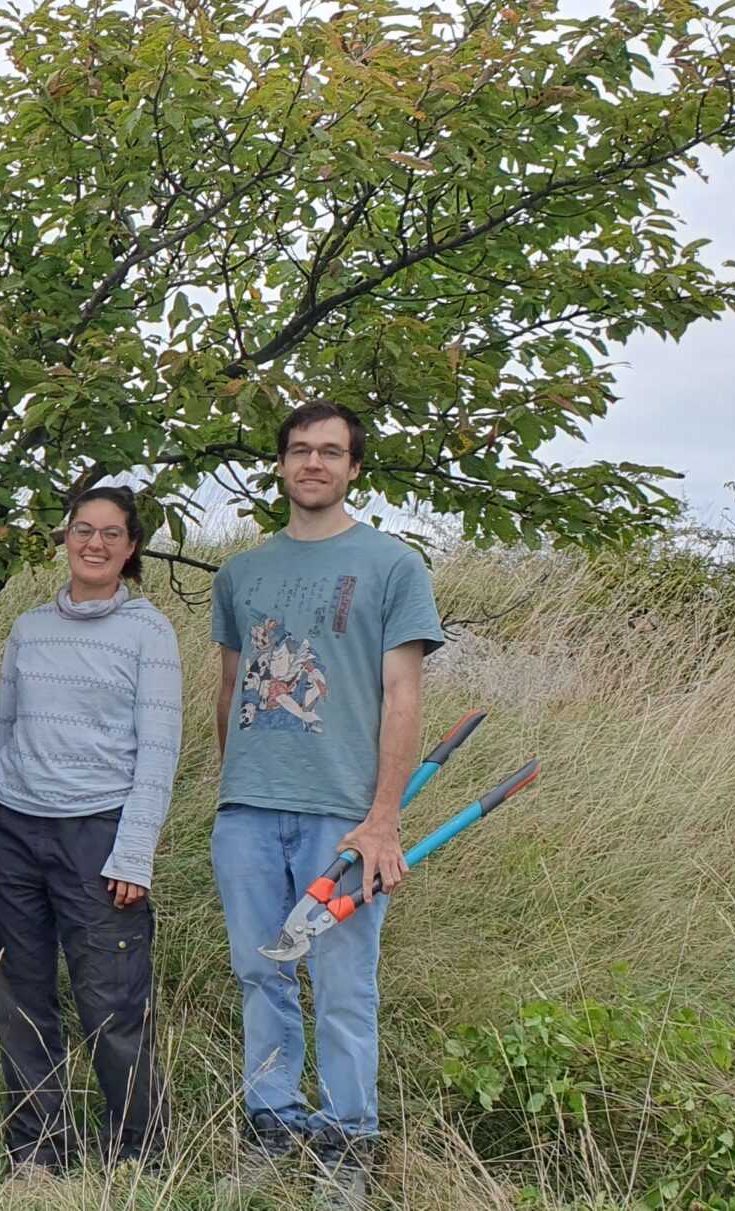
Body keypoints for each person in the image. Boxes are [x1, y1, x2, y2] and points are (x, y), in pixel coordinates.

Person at [208, 402, 443, 1211]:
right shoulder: (241, 572)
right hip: (246, 809)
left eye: (331, 451)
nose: (314, 462)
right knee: (257, 973)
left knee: (344, 981)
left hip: (343, 816)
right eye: (300, 449)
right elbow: (231, 683)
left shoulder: (391, 564)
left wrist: (384, 817)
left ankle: (348, 1141)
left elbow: (401, 692)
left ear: (353, 467)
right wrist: (230, 786)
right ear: (280, 464)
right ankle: (274, 1127)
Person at [0, 485, 180, 1172]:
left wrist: (134, 853)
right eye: (84, 529)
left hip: (97, 835)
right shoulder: (29, 628)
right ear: (67, 537)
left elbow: (159, 749)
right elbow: (2, 730)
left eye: (112, 533)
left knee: (110, 998)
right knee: (18, 993)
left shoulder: (149, 634)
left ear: (131, 547)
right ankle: (40, 1148)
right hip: (12, 829)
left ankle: (138, 1147)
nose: (96, 544)